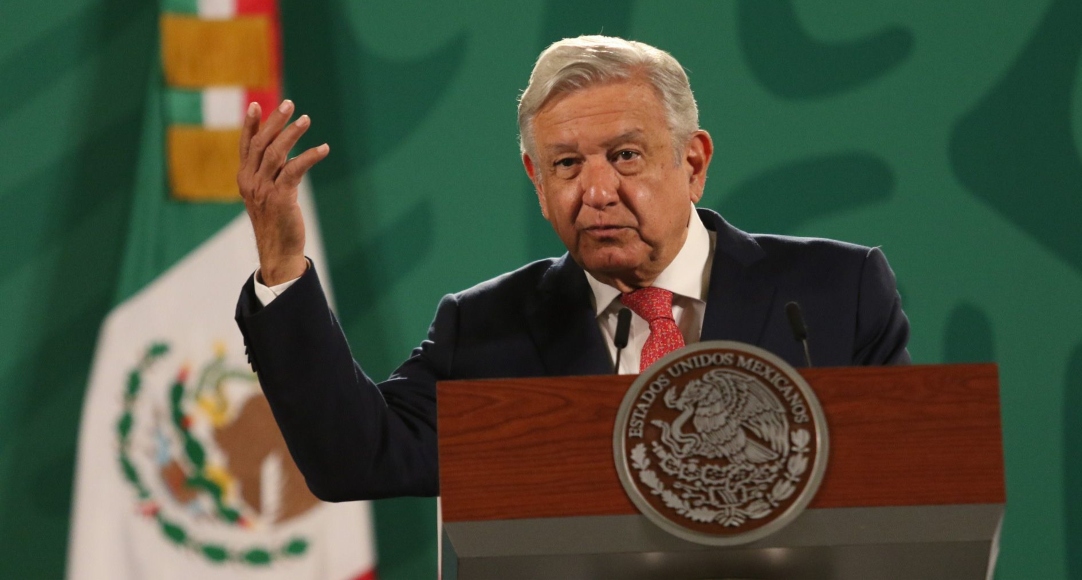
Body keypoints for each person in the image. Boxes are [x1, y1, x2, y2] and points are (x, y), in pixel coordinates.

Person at [234, 36, 910, 501]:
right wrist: (283, 265)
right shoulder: (484, 329)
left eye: (624, 156)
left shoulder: (832, 296)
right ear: (536, 178)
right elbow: (357, 455)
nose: (595, 191)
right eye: (565, 165)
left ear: (694, 163)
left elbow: (908, 487)